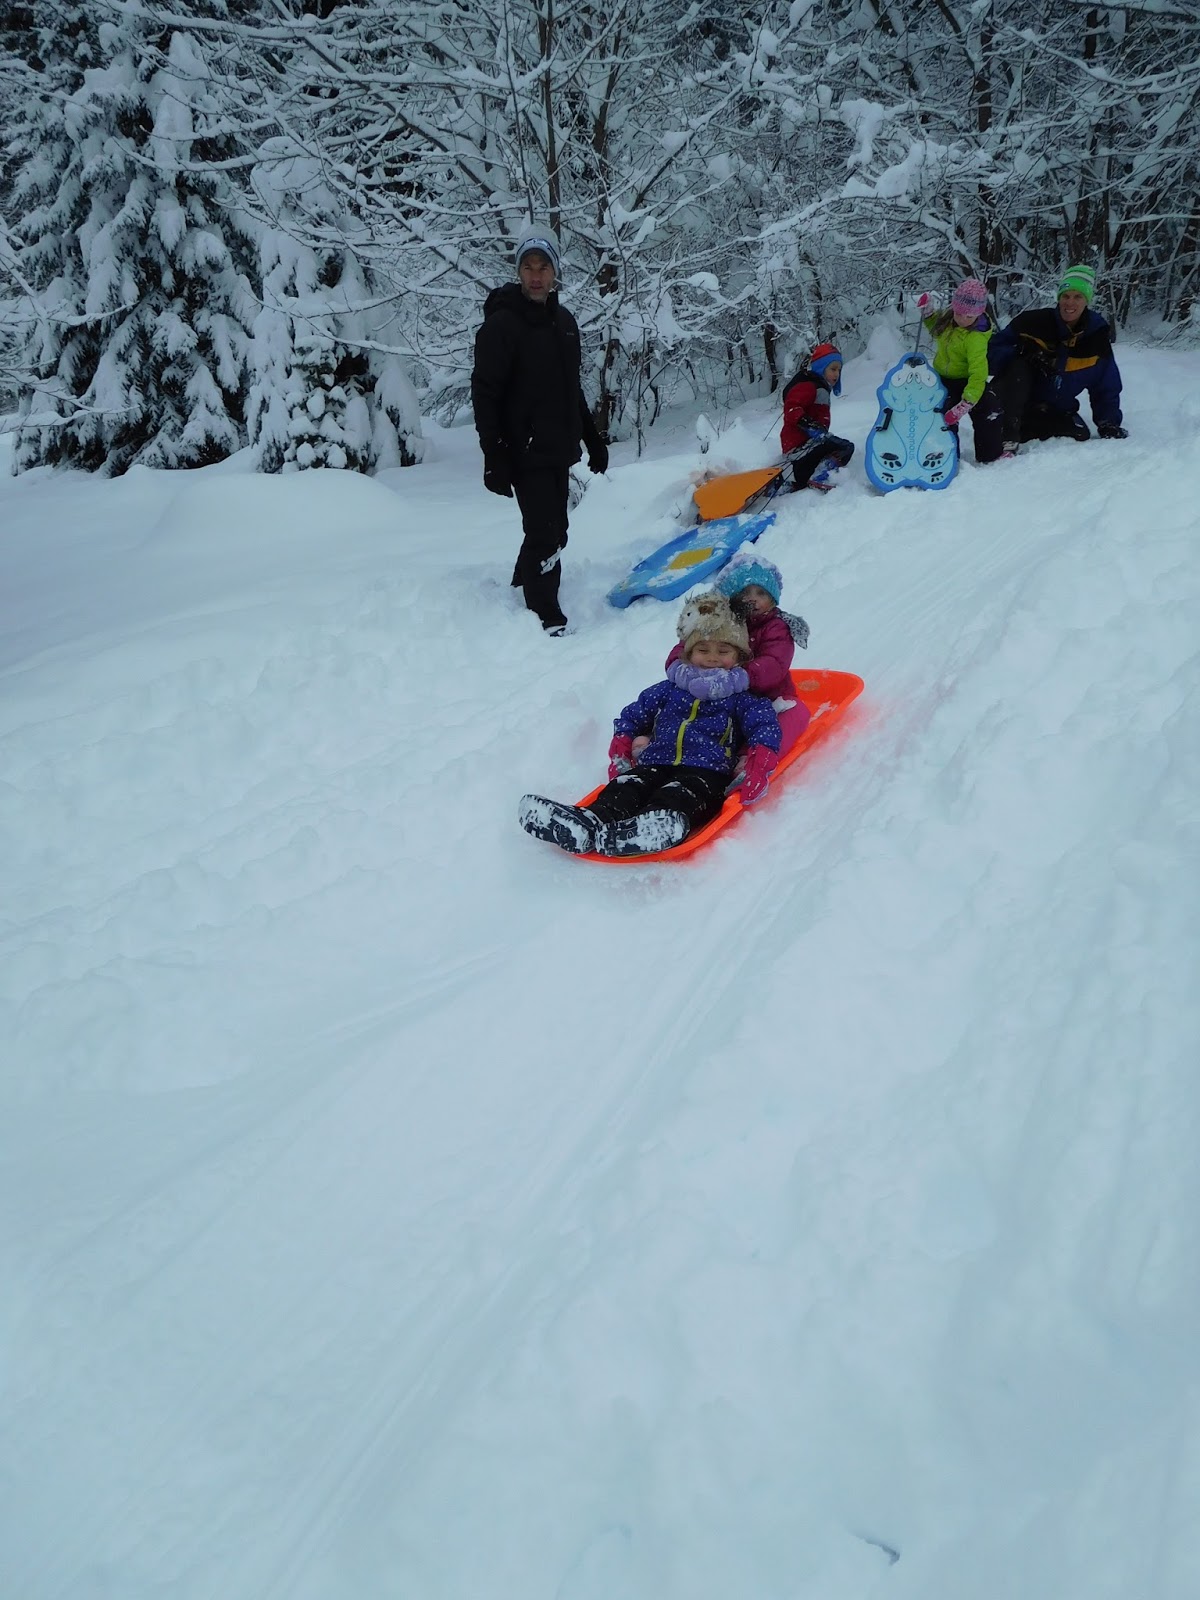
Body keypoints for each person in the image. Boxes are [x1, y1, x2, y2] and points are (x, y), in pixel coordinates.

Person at [518, 592, 781, 857]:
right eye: (703, 650)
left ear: (739, 656)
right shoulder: (669, 688)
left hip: (707, 770)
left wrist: (758, 765)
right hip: (656, 760)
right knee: (628, 786)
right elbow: (633, 715)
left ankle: (654, 826)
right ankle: (589, 822)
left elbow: (764, 728)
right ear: (689, 652)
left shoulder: (742, 697)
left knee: (681, 794)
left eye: (723, 651)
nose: (712, 657)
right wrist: (622, 745)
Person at [471, 225, 609, 635]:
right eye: (528, 267)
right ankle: (546, 614)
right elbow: (485, 393)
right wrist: (494, 454)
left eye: (543, 267)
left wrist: (592, 438)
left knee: (555, 529)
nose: (536, 275)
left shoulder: (564, 323)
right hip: (522, 449)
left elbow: (571, 388)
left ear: (554, 273)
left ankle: (524, 577)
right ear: (518, 272)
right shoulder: (501, 326)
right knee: (545, 533)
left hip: (557, 446)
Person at [648, 554, 811, 758]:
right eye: (744, 592)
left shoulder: (776, 627)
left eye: (761, 593)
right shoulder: (719, 619)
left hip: (768, 697)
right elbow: (688, 642)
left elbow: (774, 663)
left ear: (773, 598)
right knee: (679, 707)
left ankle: (755, 756)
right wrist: (679, 668)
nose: (753, 598)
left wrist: (739, 677)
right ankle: (661, 743)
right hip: (720, 697)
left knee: (794, 713)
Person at [988, 265, 1127, 453]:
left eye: (1077, 297)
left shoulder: (1096, 337)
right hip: (1014, 403)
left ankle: (1029, 428)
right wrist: (1018, 352)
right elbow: (989, 354)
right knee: (1017, 367)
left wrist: (1108, 422)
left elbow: (1106, 384)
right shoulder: (1031, 323)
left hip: (1055, 408)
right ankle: (1006, 435)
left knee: (1080, 435)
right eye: (1066, 296)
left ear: (1087, 300)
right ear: (1059, 297)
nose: (1070, 303)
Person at [915, 278, 1004, 463]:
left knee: (989, 409)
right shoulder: (948, 321)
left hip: (969, 381)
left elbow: (978, 373)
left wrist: (966, 403)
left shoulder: (975, 338)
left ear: (979, 314)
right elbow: (935, 328)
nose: (963, 319)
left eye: (969, 316)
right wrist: (928, 312)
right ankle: (945, 458)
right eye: (959, 313)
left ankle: (990, 456)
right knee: (939, 413)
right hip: (943, 380)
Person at [780, 342, 856, 490]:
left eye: (839, 370)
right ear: (821, 368)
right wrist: (809, 425)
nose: (836, 374)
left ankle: (806, 478)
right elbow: (792, 407)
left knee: (836, 446)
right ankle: (820, 475)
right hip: (799, 448)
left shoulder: (820, 388)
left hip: (809, 448)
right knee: (845, 447)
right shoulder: (809, 385)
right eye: (833, 369)